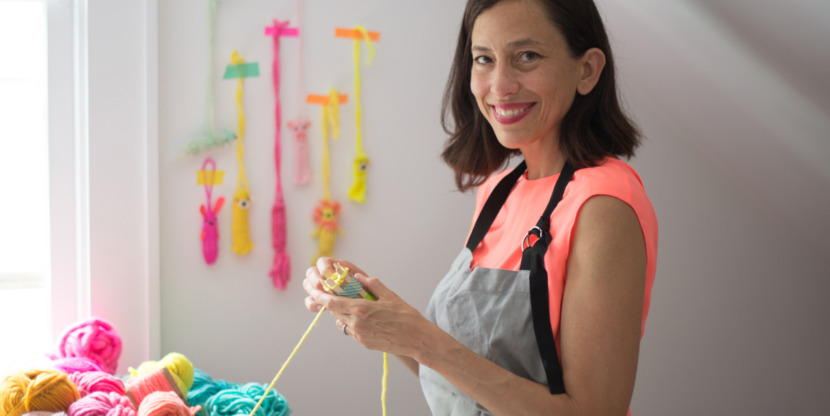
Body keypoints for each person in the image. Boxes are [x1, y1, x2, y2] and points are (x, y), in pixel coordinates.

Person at [303, 0, 658, 414]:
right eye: (484, 59)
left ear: (587, 70)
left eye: (527, 56)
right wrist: (382, 316)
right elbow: (464, 383)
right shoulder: (498, 191)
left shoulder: (603, 206)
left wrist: (419, 337)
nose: (500, 84)